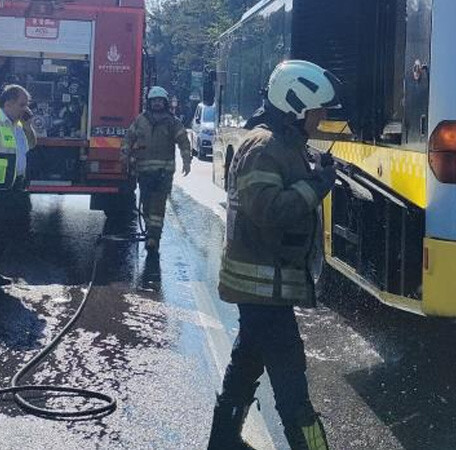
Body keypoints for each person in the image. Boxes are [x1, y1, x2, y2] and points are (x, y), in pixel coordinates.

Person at [207, 60, 342, 450]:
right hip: (264, 290)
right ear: (295, 106)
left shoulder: (285, 145)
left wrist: (317, 173)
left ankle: (222, 443)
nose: (321, 119)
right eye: (317, 111)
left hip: (266, 288)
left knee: (245, 366)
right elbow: (268, 211)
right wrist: (317, 187)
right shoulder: (264, 147)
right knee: (292, 389)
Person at [122, 86, 192, 254]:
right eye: (155, 101)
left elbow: (183, 140)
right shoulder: (140, 120)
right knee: (146, 205)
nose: (158, 104)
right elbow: (129, 138)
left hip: (163, 173)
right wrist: (125, 157)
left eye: (161, 101)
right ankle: (150, 233)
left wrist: (186, 160)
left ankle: (154, 237)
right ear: (150, 102)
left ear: (165, 103)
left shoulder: (172, 122)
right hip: (144, 173)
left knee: (158, 206)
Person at [0, 84, 36, 287]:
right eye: (22, 104)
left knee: (8, 232)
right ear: (8, 103)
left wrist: (29, 126)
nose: (25, 109)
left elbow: (32, 145)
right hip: (1, 190)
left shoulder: (19, 125)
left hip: (14, 188)